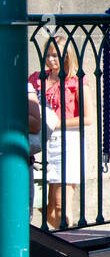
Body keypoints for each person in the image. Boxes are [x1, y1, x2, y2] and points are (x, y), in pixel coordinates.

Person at [29, 37, 81, 229]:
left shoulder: (75, 81)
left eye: (56, 55)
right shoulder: (35, 78)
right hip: (42, 143)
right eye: (48, 55)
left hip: (66, 142)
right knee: (43, 206)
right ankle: (65, 239)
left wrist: (54, 124)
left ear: (67, 57)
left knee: (60, 205)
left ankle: (68, 247)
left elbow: (87, 118)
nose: (51, 59)